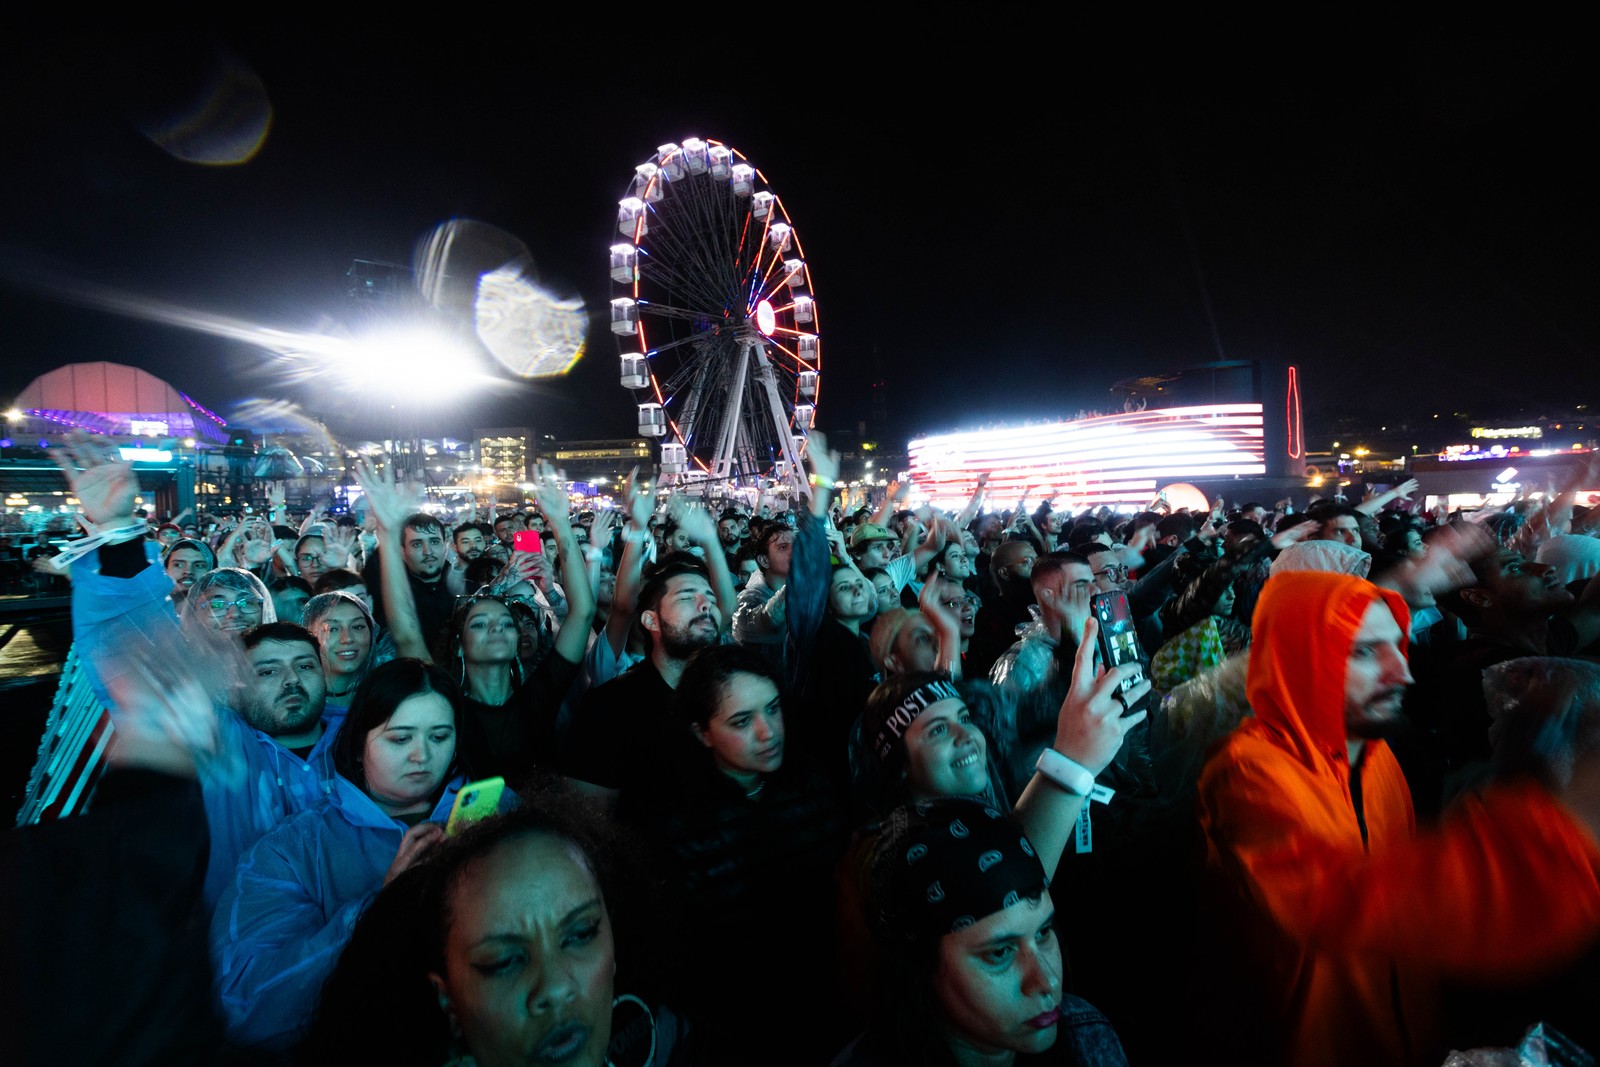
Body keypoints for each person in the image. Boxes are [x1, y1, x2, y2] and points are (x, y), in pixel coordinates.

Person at [1196, 570, 1600, 1067]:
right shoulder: (1245, 772)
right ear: (1299, 659)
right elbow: (1336, 900)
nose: (1403, 672)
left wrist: (1526, 768)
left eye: (1397, 645)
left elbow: (1410, 876)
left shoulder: (1372, 751)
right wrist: (1563, 828)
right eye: (1365, 652)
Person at [302, 789, 697, 1067]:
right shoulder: (306, 841)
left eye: (581, 934)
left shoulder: (660, 1037)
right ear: (447, 998)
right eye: (505, 961)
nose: (556, 987)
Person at [211, 659, 467, 1049]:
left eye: (439, 736)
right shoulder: (294, 848)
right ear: (359, 743)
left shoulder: (494, 813)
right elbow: (247, 1005)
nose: (422, 756)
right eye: (400, 739)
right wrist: (378, 905)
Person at [618, 645, 845, 1061]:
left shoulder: (811, 783)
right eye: (743, 721)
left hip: (830, 1005)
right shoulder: (669, 822)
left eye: (773, 709)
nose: (768, 732)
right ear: (701, 732)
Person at [832, 798, 1129, 1066]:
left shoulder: (1086, 1036)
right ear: (920, 967)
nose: (1047, 980)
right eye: (1000, 952)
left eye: (1043, 932)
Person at [303, 590, 378, 713]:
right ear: (311, 635)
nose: (347, 638)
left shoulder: (386, 696)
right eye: (332, 629)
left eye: (357, 627)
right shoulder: (299, 704)